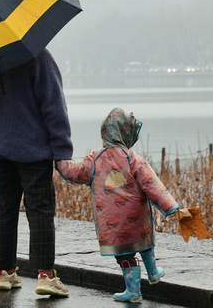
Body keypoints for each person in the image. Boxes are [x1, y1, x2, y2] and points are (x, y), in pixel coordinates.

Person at [56, 108, 191, 304]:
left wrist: (60, 162)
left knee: (125, 255)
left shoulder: (95, 159)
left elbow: (75, 173)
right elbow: (152, 185)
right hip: (137, 217)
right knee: (145, 243)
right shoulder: (132, 158)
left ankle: (133, 290)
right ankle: (153, 272)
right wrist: (171, 207)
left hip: (113, 223)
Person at [0, 49, 71, 296]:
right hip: (33, 149)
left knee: (4, 211)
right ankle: (46, 275)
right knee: (40, 211)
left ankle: (3, 273)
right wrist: (62, 150)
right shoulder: (37, 56)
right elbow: (53, 105)